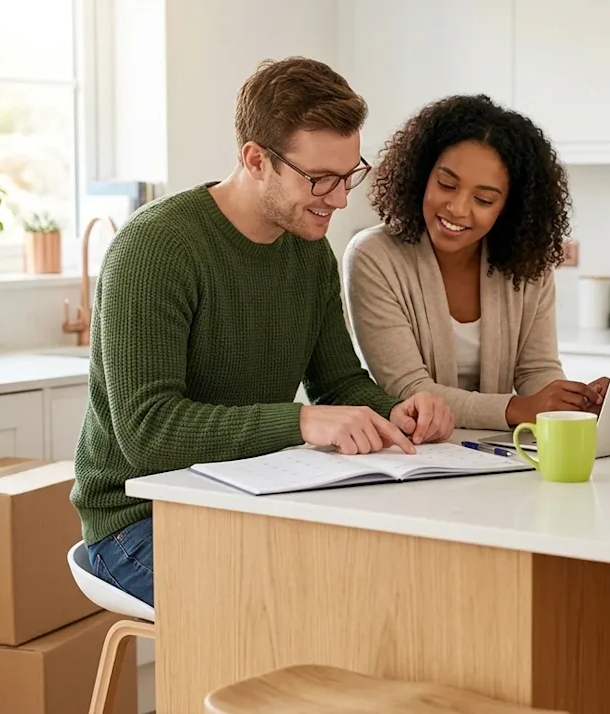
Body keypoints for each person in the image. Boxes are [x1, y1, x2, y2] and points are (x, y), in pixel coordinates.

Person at [71, 57, 456, 607]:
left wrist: (396, 410)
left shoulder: (308, 251)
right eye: (320, 179)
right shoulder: (156, 249)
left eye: (349, 176)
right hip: (139, 519)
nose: (341, 199)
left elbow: (339, 383)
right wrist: (301, 421)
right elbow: (147, 433)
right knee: (293, 605)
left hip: (249, 496)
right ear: (256, 160)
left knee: (389, 578)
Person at [343, 93, 610, 431]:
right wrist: (516, 409)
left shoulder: (529, 263)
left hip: (492, 455)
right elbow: (408, 389)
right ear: (422, 173)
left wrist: (575, 402)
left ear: (509, 208)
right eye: (446, 184)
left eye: (483, 199)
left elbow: (536, 371)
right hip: (413, 455)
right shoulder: (373, 257)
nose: (457, 208)